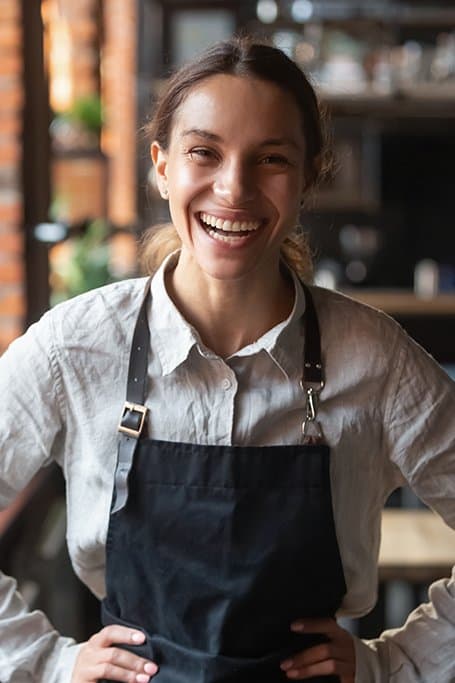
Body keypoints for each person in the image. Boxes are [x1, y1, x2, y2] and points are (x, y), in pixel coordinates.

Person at [0, 36, 454, 683]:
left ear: (306, 177)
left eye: (270, 159)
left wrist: (398, 662)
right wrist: (47, 663)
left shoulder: (374, 359)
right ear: (161, 166)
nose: (233, 188)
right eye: (203, 153)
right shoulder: (75, 347)